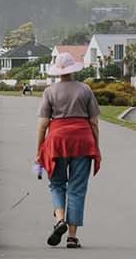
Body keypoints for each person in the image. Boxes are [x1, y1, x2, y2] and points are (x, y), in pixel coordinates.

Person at [35, 48, 103, 247]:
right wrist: (96, 147)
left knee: (57, 184)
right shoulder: (85, 90)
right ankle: (72, 237)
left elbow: (42, 125)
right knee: (77, 188)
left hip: (57, 141)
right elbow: (94, 123)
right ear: (74, 69)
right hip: (83, 141)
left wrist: (39, 151)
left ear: (57, 71)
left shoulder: (50, 92)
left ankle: (59, 219)